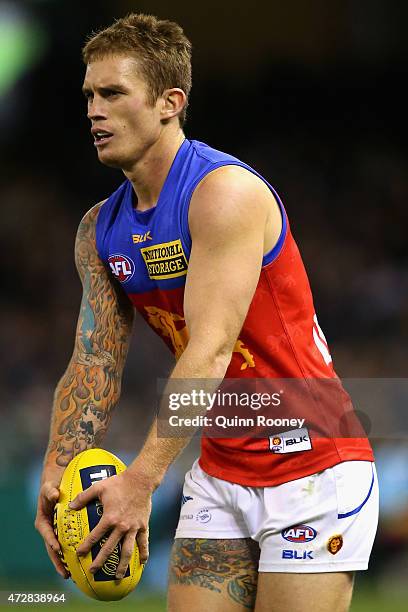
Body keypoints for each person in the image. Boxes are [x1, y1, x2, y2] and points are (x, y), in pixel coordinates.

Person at [35, 13, 378, 612]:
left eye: (113, 93)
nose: (94, 110)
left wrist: (142, 480)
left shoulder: (223, 194)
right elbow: (93, 360)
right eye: (89, 95)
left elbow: (212, 347)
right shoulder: (99, 230)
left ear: (171, 102)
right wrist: (57, 470)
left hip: (313, 467)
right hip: (221, 471)